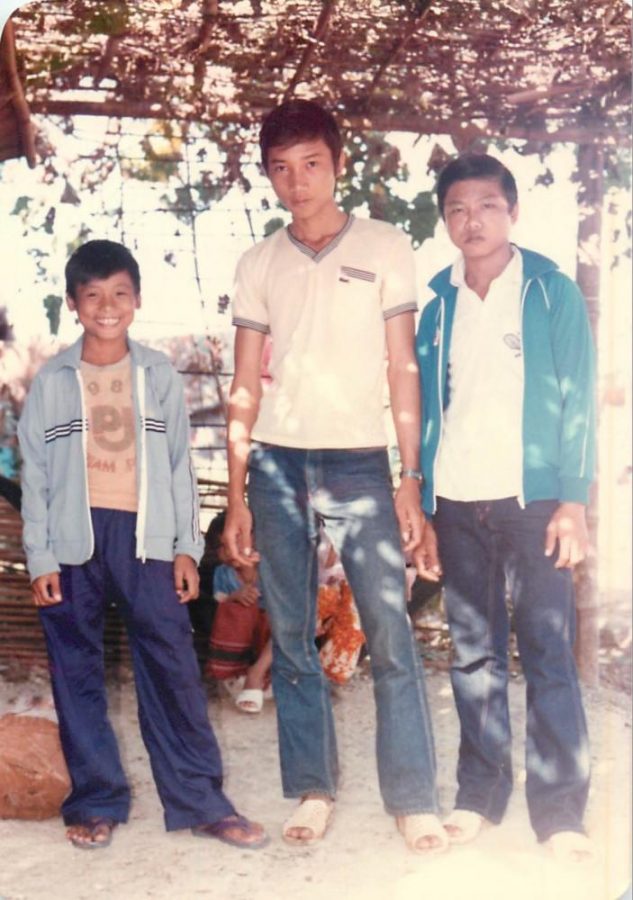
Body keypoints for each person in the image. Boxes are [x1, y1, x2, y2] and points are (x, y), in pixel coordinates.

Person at [223, 99, 445, 854]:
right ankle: (312, 788)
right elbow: (245, 383)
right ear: (268, 175)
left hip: (357, 460)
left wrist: (407, 476)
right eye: (281, 169)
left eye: (311, 164)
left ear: (338, 163)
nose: (297, 183)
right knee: (288, 632)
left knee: (388, 628)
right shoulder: (258, 263)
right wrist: (236, 493)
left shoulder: (385, 247)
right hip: (277, 463)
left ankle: (413, 798)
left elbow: (402, 366)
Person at [17, 239, 268, 851]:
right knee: (76, 670)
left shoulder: (156, 374)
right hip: (74, 542)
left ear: (137, 301)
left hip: (147, 539)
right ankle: (96, 800)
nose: (108, 307)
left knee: (173, 667)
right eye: (93, 296)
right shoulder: (53, 380)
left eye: (120, 294)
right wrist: (41, 557)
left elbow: (180, 467)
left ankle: (201, 800)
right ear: (73, 304)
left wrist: (184, 546)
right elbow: (36, 475)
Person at [415, 153, 596, 863]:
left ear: (511, 212)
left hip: (535, 502)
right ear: (446, 219)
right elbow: (428, 407)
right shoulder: (437, 306)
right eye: (457, 208)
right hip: (457, 500)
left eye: (487, 205)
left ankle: (559, 813)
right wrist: (424, 498)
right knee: (473, 654)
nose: (472, 220)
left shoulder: (550, 293)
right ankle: (478, 796)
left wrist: (572, 503)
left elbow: (577, 400)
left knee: (548, 649)